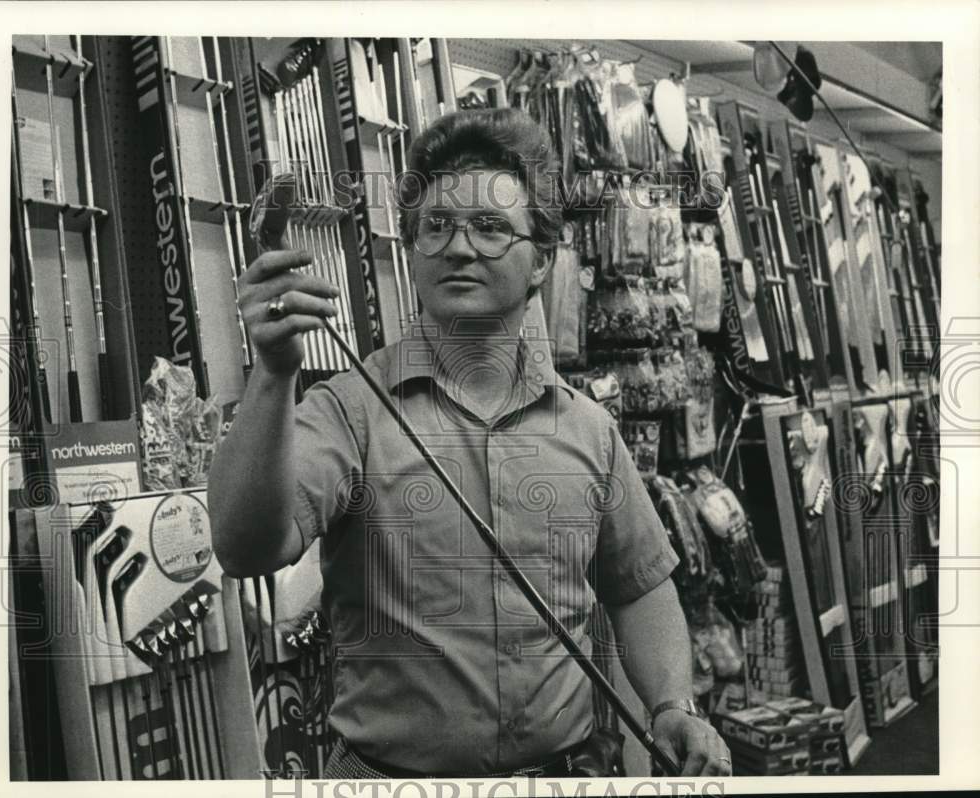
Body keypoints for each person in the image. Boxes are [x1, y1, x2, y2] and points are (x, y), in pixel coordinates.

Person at [210, 108, 732, 778]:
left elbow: (636, 587)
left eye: (489, 228)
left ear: (541, 260)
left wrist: (670, 704)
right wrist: (272, 375)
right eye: (437, 227)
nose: (459, 248)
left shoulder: (588, 430)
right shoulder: (349, 410)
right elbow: (245, 547)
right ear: (412, 249)